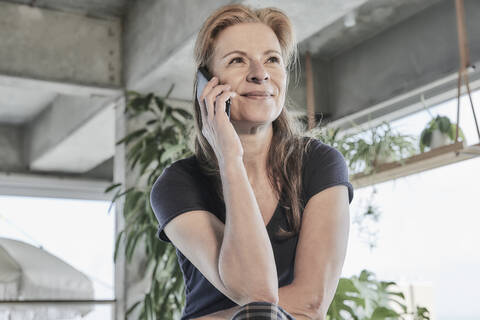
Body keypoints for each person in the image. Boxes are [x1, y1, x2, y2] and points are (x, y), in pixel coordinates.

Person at [150, 4, 354, 320]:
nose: (260, 74)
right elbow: (255, 293)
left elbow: (309, 304)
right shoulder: (177, 184)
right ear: (207, 84)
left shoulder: (319, 164)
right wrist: (230, 158)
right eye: (237, 60)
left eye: (272, 59)